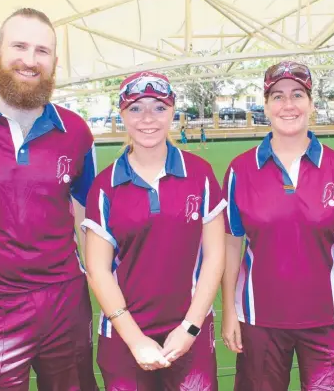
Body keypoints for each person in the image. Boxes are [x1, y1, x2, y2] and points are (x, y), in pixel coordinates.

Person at [0, 8, 98, 390]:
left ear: (55, 62)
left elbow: (86, 219)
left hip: (66, 302)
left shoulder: (75, 130)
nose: (30, 60)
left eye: (42, 51)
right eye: (20, 46)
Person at [221, 61, 334, 391]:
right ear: (266, 105)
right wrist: (230, 311)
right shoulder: (240, 170)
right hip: (259, 320)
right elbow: (231, 244)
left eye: (298, 95)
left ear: (311, 104)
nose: (288, 105)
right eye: (278, 96)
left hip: (328, 321)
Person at [82, 71, 226, 390]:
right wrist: (135, 340)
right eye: (136, 108)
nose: (148, 118)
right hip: (123, 338)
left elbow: (215, 257)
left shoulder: (199, 175)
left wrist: (189, 328)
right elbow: (98, 269)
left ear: (173, 112)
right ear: (122, 115)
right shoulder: (105, 187)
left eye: (159, 108)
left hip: (192, 332)